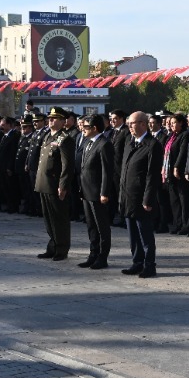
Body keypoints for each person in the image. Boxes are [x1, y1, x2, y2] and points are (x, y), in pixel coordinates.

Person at [119, 111, 163, 277]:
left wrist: (148, 199)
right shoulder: (130, 143)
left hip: (142, 198)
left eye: (133, 123)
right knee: (132, 234)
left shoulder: (152, 145)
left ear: (143, 124)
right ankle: (137, 262)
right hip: (128, 196)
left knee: (145, 234)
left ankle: (149, 265)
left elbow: (152, 175)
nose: (130, 126)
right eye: (129, 123)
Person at [34, 106, 77, 261]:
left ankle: (62, 249)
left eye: (55, 118)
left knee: (59, 219)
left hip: (55, 184)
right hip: (44, 183)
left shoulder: (65, 139)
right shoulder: (47, 136)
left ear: (62, 121)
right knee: (48, 218)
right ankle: (52, 246)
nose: (50, 120)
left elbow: (68, 165)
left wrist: (63, 185)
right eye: (50, 118)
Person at [77, 114, 115, 269]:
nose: (83, 129)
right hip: (86, 191)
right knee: (91, 225)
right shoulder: (87, 142)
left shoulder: (104, 144)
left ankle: (102, 257)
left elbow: (107, 171)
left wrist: (104, 192)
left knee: (101, 226)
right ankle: (93, 253)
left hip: (98, 192)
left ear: (94, 128)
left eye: (86, 127)